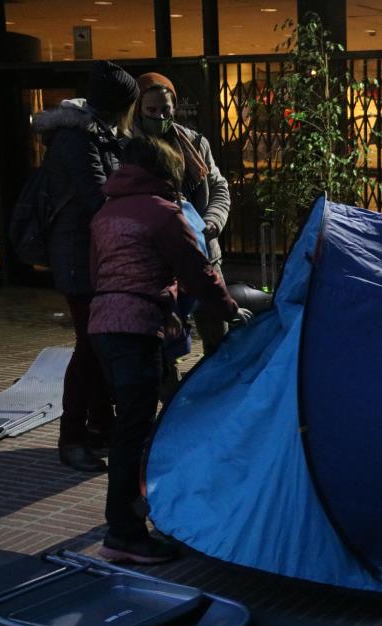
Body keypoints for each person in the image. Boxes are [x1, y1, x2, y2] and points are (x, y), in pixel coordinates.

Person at [88, 136, 250, 563]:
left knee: (130, 425)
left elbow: (98, 273)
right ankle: (124, 534)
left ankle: (123, 527)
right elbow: (199, 271)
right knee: (134, 433)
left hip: (103, 325)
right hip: (136, 327)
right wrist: (230, 310)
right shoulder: (162, 213)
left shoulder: (106, 212)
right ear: (167, 170)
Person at [33, 60, 139, 473]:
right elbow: (99, 200)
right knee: (90, 348)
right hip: (79, 257)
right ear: (120, 104)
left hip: (93, 253)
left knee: (97, 345)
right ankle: (73, 436)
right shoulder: (79, 139)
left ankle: (99, 426)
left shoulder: (97, 134)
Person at [134, 72, 232, 357]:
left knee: (218, 333)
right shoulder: (131, 148)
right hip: (158, 263)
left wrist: (213, 220)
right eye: (151, 110)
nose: (160, 116)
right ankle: (171, 394)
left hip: (203, 252)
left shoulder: (194, 143)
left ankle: (217, 392)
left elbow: (218, 186)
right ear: (138, 109)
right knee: (167, 341)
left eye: (166, 109)